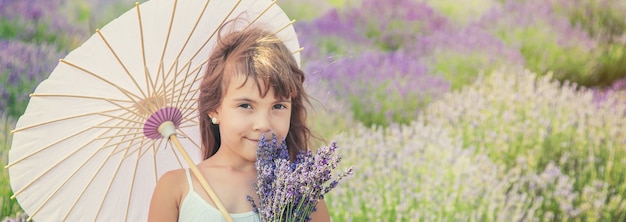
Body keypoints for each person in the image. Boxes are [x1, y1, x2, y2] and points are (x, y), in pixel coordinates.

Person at [147, 23, 330, 221]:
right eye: (245, 105)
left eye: (278, 106)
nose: (263, 124)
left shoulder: (300, 190)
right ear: (214, 108)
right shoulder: (176, 187)